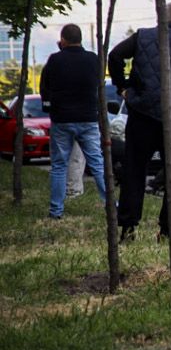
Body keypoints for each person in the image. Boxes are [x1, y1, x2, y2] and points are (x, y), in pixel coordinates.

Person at [108, 2, 171, 243]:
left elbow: (115, 56)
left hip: (143, 115)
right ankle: (168, 232)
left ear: (160, 17)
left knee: (135, 170)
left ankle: (128, 228)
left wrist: (122, 86)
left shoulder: (142, 37)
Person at [40, 24, 107, 219]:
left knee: (59, 166)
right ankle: (111, 205)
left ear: (63, 40)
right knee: (97, 164)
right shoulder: (93, 60)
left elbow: (46, 88)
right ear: (81, 39)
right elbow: (98, 84)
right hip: (88, 119)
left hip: (62, 120)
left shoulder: (54, 60)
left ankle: (56, 211)